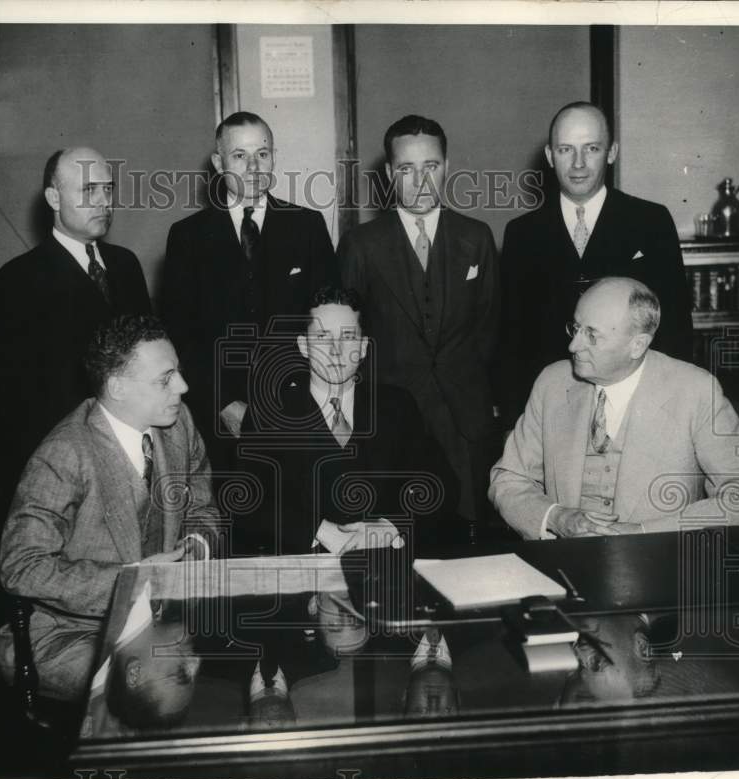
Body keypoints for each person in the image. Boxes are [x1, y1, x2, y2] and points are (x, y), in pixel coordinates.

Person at [0, 314, 219, 702]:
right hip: (69, 632)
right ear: (117, 387)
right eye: (165, 379)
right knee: (156, 686)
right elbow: (21, 565)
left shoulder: (178, 424)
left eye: (177, 372)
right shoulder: (65, 453)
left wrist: (197, 545)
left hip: (160, 621)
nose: (182, 386)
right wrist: (130, 580)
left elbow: (201, 504)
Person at [489, 277, 739, 540]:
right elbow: (508, 480)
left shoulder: (695, 391)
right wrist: (556, 517)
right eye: (575, 328)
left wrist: (643, 532)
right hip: (564, 565)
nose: (573, 345)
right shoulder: (552, 383)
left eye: (592, 335)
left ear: (637, 345)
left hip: (658, 567)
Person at [338, 115, 500, 530]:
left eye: (431, 166)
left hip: (464, 421)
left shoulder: (477, 238)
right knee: (401, 536)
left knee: (470, 540)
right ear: (390, 174)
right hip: (393, 423)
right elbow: (347, 337)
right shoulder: (361, 245)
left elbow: (489, 327)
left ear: (447, 166)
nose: (421, 180)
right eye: (407, 169)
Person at [498, 101, 694, 423]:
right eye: (565, 150)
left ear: (612, 152)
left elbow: (675, 327)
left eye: (591, 148)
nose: (578, 163)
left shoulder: (651, 221)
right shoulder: (522, 234)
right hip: (552, 409)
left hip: (637, 404)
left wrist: (673, 413)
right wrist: (512, 422)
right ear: (549, 156)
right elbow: (511, 339)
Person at [234, 285, 458, 557]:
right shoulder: (268, 414)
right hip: (302, 568)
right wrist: (317, 529)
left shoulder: (396, 406)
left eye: (348, 336)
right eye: (322, 336)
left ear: (363, 347)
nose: (336, 350)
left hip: (386, 565)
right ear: (303, 346)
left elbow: (441, 483)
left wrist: (391, 526)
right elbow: (246, 501)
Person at [163, 111, 336, 460]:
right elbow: (180, 334)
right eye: (239, 156)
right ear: (218, 162)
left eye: (262, 153)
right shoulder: (188, 237)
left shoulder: (308, 226)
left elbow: (328, 322)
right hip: (219, 416)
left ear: (274, 157)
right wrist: (222, 402)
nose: (253, 166)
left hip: (298, 408)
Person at [0, 146, 152, 510]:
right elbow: (15, 396)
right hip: (68, 462)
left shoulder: (126, 265)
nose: (102, 201)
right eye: (88, 190)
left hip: (134, 449)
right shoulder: (19, 278)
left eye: (107, 189)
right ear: (53, 198)